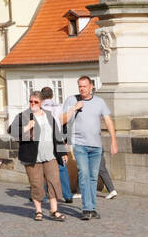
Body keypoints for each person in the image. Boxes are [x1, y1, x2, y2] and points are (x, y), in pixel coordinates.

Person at [60, 76, 118, 219]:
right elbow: (62, 120)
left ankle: (92, 208)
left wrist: (113, 141)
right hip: (80, 145)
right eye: (80, 86)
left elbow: (108, 121)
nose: (82, 89)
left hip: (96, 146)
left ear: (91, 86)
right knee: (84, 175)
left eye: (85, 86)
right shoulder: (71, 100)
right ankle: (86, 209)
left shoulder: (100, 102)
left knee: (92, 178)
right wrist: (74, 108)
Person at [9, 91, 68, 220]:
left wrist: (62, 152)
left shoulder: (48, 115)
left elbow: (57, 135)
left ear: (41, 103)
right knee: (36, 184)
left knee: (54, 182)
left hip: (50, 155)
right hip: (32, 157)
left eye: (35, 102)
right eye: (31, 101)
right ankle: (38, 211)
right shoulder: (23, 116)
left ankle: (54, 210)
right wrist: (26, 127)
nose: (33, 104)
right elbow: (11, 131)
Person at [39, 87, 73, 202]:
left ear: (41, 96)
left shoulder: (39, 107)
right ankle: (67, 195)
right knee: (62, 167)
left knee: (42, 167)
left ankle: (43, 195)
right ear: (52, 95)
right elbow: (63, 122)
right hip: (58, 138)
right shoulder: (59, 106)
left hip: (44, 139)